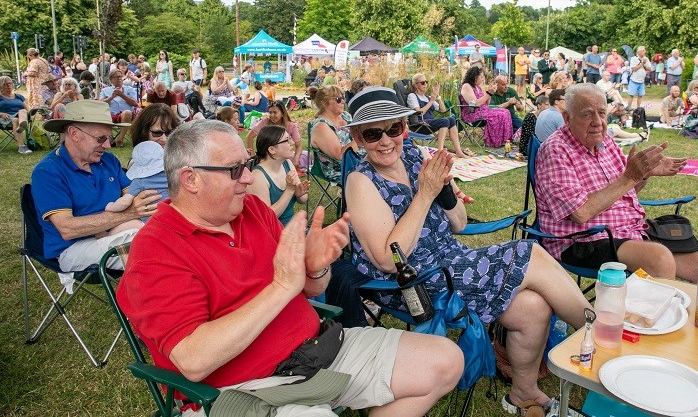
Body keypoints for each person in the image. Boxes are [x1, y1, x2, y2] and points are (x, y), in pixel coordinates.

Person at [116, 119, 462, 416]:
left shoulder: (251, 209)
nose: (249, 178)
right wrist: (280, 287)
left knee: (446, 359)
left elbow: (309, 289)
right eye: (235, 170)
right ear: (190, 179)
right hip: (250, 388)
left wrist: (314, 268)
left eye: (247, 164)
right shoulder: (156, 249)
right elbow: (193, 361)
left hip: (318, 351)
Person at [344, 87, 592, 416]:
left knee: (532, 306)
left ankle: (523, 394)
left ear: (405, 127)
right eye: (374, 133)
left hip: (451, 262)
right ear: (358, 138)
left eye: (394, 128)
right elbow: (389, 260)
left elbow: (459, 223)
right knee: (529, 253)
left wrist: (445, 190)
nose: (387, 140)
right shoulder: (361, 182)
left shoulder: (416, 156)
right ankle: (601, 340)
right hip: (412, 285)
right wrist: (424, 194)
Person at [535, 84, 698, 291]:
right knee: (659, 258)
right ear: (567, 118)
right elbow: (580, 213)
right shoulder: (556, 150)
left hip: (628, 232)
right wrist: (630, 176)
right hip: (580, 240)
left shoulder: (605, 142)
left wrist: (643, 174)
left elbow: (627, 191)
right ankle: (652, 320)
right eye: (587, 114)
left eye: (602, 113)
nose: (598, 122)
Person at [31, 100, 161, 271]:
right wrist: (129, 214)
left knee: (164, 238)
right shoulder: (48, 172)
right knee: (154, 247)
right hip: (73, 248)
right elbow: (68, 229)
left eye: (109, 138)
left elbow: (135, 196)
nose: (107, 145)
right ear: (74, 133)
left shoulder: (108, 161)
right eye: (101, 138)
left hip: (119, 232)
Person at [247, 125, 309, 227]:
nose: (292, 143)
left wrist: (299, 194)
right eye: (287, 140)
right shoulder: (258, 177)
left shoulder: (287, 164)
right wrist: (289, 190)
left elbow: (303, 200)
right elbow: (266, 218)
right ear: (272, 149)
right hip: (272, 235)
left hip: (289, 229)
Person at [105, 141, 169, 232]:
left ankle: (107, 236)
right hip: (170, 216)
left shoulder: (140, 181)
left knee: (125, 225)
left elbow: (125, 202)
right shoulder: (171, 176)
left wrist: (111, 206)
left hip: (149, 220)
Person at [407, 73, 472, 158]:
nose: (425, 84)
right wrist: (431, 100)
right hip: (419, 123)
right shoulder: (412, 96)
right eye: (422, 82)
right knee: (444, 121)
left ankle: (458, 151)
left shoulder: (427, 97)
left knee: (451, 119)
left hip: (429, 123)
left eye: (426, 82)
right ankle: (440, 152)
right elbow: (419, 112)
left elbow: (443, 110)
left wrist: (438, 97)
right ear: (415, 85)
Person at [309, 85, 358, 184]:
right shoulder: (321, 127)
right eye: (338, 99)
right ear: (324, 103)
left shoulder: (345, 116)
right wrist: (361, 138)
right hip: (341, 169)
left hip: (359, 160)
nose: (343, 101)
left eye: (343, 98)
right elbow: (341, 156)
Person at [459, 67, 512, 148]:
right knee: (499, 114)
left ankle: (504, 140)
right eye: (481, 77)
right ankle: (495, 140)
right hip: (472, 114)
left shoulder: (478, 87)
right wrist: (488, 93)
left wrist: (490, 93)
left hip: (483, 111)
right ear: (474, 76)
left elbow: (487, 103)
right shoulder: (466, 86)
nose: (482, 79)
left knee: (505, 111)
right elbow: (475, 103)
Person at [247, 101, 303, 166]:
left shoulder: (291, 126)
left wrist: (296, 158)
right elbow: (249, 136)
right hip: (267, 157)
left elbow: (298, 145)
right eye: (270, 112)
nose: (272, 115)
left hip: (284, 157)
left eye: (275, 112)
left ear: (282, 113)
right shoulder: (265, 122)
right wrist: (253, 156)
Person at [100, 70, 139, 146]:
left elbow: (134, 103)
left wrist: (122, 95)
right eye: (116, 77)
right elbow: (100, 103)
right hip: (110, 115)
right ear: (111, 80)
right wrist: (111, 97)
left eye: (120, 76)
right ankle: (110, 138)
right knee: (105, 113)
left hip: (126, 115)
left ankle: (119, 139)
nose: (119, 78)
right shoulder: (105, 90)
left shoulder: (130, 89)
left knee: (127, 112)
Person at [0, 75, 33, 154]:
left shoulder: (19, 96)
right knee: (15, 120)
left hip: (21, 116)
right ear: (0, 86)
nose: (8, 85)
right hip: (6, 118)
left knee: (22, 111)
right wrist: (1, 114)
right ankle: (22, 146)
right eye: (5, 84)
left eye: (10, 83)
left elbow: (28, 110)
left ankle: (22, 124)